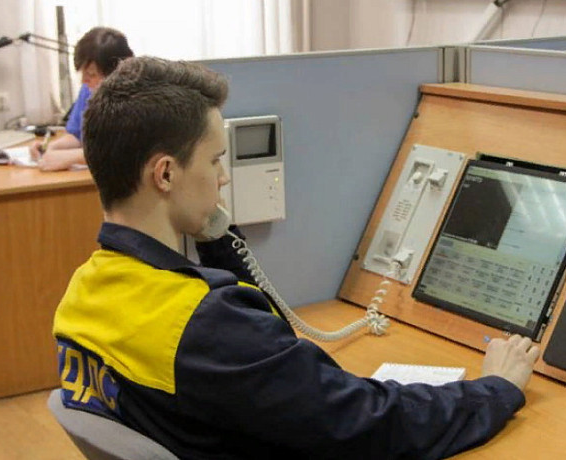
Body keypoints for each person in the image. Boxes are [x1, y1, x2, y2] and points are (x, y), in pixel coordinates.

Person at [53, 56, 540, 460]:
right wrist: (496, 389)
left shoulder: (85, 295)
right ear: (165, 174)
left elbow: (263, 351)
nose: (223, 178)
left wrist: (218, 239)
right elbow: (366, 422)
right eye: (215, 159)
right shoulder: (206, 324)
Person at [29, 27, 133, 171]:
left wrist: (71, 157)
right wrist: (49, 148)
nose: (84, 80)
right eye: (83, 73)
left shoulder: (137, 98)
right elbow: (77, 135)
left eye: (91, 74)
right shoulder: (89, 89)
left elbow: (123, 153)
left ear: (118, 71)